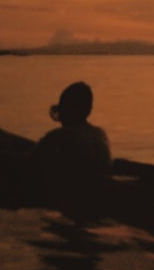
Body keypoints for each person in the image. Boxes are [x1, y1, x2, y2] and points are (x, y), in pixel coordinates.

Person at [32, 81, 112, 218]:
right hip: (103, 190)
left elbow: (31, 159)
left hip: (81, 197)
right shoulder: (100, 133)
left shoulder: (60, 135)